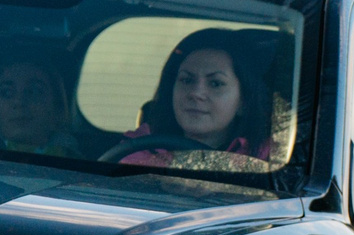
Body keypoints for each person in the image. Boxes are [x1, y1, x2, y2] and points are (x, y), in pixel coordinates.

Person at [103, 28, 285, 167]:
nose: (196, 93)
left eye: (216, 84)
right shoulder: (139, 147)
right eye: (187, 80)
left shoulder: (273, 161)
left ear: (243, 102)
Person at [0, 39, 77, 156]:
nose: (19, 102)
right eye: (7, 92)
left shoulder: (79, 169)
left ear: (58, 110)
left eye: (34, 91)